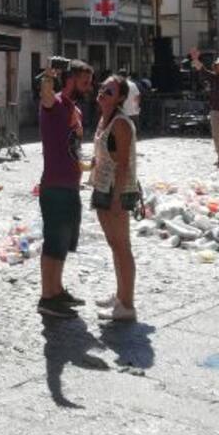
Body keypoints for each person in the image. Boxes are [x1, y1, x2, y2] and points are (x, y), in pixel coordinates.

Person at [37, 58, 93, 319]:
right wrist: (48, 76)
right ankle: (47, 298)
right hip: (55, 187)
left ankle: (57, 290)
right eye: (85, 81)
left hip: (71, 185)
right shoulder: (56, 103)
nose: (89, 86)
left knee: (63, 244)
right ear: (70, 79)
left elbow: (73, 149)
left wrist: (90, 167)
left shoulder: (75, 109)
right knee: (54, 243)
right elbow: (46, 95)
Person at [89, 75, 140, 322]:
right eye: (102, 88)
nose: (102, 93)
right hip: (102, 185)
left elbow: (122, 165)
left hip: (115, 190)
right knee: (114, 245)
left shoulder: (120, 123)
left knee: (122, 246)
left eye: (108, 91)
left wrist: (118, 199)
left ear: (120, 97)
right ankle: (120, 295)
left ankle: (127, 305)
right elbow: (104, 151)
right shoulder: (104, 119)